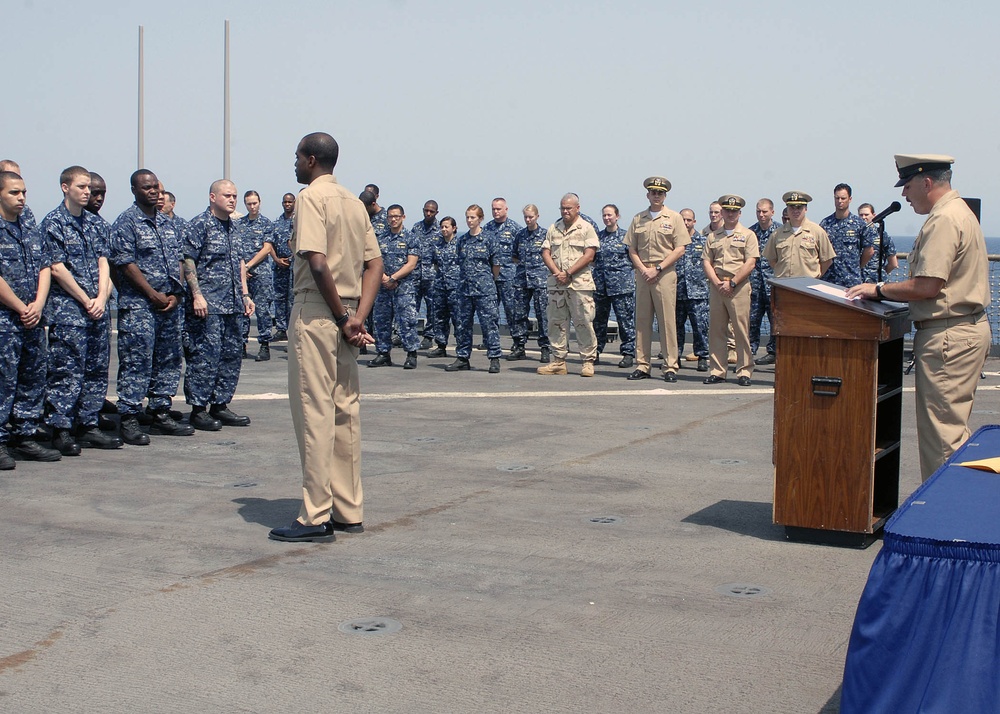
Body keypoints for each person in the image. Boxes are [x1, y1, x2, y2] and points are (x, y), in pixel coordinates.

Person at [846, 154, 991, 480]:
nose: (904, 195)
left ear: (926, 182)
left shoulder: (943, 220)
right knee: (953, 432)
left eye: (908, 186)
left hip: (947, 337)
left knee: (942, 440)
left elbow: (927, 285)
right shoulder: (961, 211)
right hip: (964, 330)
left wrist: (878, 289)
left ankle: (947, 522)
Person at [269, 131, 382, 543]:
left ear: (312, 160)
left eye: (298, 157)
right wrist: (356, 319)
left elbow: (316, 262)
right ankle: (349, 509)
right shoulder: (354, 202)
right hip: (348, 312)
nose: (295, 164)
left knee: (314, 411)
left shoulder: (309, 199)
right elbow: (375, 264)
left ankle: (315, 514)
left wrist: (339, 315)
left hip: (318, 311)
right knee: (344, 411)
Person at [41, 166, 122, 454]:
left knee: (96, 370)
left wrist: (101, 298)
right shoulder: (54, 223)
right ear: (65, 187)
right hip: (69, 310)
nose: (87, 192)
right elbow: (57, 268)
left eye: (89, 187)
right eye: (81, 187)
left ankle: (89, 424)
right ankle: (61, 428)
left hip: (97, 310)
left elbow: (104, 262)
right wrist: (85, 299)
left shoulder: (96, 224)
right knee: (67, 371)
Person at [110, 169, 194, 445]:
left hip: (169, 305)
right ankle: (130, 417)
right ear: (135, 190)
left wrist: (176, 295)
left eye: (156, 188)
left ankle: (160, 411)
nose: (153, 192)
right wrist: (152, 294)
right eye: (146, 188)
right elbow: (125, 264)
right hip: (139, 306)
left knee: (168, 358)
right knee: (137, 360)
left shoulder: (167, 223)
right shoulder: (127, 222)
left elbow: (179, 260)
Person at [182, 179, 255, 430]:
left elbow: (240, 264)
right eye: (227, 195)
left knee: (231, 355)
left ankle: (220, 404)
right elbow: (188, 261)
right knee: (204, 356)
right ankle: (199, 408)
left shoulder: (235, 228)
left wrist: (245, 295)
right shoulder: (199, 225)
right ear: (212, 197)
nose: (232, 200)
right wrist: (197, 295)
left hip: (233, 304)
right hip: (209, 304)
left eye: (234, 195)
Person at [0, 170, 61, 466]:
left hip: (34, 316)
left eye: (23, 192)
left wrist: (37, 303)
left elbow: (44, 266)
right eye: (14, 192)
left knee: (32, 376)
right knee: (4, 380)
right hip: (6, 318)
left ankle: (24, 435)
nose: (21, 198)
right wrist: (20, 306)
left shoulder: (28, 226)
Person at [623, 176, 689, 382]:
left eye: (660, 193)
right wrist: (643, 268)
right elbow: (631, 248)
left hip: (664, 274)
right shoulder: (638, 218)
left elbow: (680, 248)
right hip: (643, 275)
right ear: (648, 195)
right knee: (642, 321)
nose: (656, 196)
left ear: (665, 195)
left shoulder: (674, 218)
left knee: (667, 321)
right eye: (653, 192)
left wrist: (658, 268)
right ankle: (643, 365)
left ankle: (670, 366)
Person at [537, 193, 600, 377]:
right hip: (557, 284)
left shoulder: (587, 228)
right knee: (556, 322)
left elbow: (589, 255)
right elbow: (545, 252)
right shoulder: (553, 228)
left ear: (577, 208)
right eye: (562, 208)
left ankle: (588, 361)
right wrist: (558, 273)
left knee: (583, 322)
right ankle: (558, 361)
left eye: (569, 208)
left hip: (579, 284)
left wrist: (568, 273)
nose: (565, 211)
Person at [701, 195, 759, 387]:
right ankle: (718, 371)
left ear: (740, 213)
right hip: (717, 287)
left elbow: (750, 262)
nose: (731, 214)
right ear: (722, 213)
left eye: (734, 211)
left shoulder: (748, 235)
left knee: (741, 331)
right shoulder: (713, 236)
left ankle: (744, 371)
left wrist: (733, 283)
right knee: (717, 330)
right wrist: (717, 282)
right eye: (727, 210)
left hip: (739, 287)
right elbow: (706, 261)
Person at [447, 204, 502, 373]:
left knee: (489, 324)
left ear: (480, 219)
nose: (469, 220)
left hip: (484, 290)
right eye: (468, 217)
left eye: (473, 217)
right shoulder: (462, 241)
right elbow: (459, 263)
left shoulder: (489, 238)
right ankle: (463, 357)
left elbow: (496, 266)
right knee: (463, 325)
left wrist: (487, 280)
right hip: (464, 290)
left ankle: (494, 358)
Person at [368, 204, 420, 369]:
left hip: (404, 287)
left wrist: (393, 278)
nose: (393, 219)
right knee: (381, 321)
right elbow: (375, 260)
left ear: (403, 217)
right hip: (383, 286)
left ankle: (411, 354)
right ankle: (383, 353)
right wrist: (384, 278)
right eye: (390, 216)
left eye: (397, 216)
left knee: (407, 321)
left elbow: (411, 264)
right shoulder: (381, 238)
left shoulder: (411, 238)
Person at [592, 204, 636, 368]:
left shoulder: (626, 237)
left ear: (617, 216)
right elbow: (593, 259)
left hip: (621, 287)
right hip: (601, 286)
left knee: (625, 321)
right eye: (604, 215)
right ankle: (595, 352)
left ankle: (628, 353)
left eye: (610, 215)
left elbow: (633, 260)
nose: (607, 218)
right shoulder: (597, 237)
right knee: (598, 321)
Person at [481, 198, 524, 359]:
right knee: (490, 312)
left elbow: (520, 253)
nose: (496, 212)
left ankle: (518, 343)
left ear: (506, 209)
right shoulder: (487, 228)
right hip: (491, 277)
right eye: (493, 209)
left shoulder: (515, 229)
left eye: (499, 209)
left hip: (508, 277)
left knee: (512, 311)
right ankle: (489, 340)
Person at [761, 191, 836, 280]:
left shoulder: (818, 232)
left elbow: (827, 260)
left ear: (805, 209)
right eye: (792, 207)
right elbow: (771, 260)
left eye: (799, 207)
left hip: (808, 286)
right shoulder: (777, 234)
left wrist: (815, 276)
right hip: (784, 285)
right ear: (787, 209)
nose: (795, 211)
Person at [511, 204, 551, 363]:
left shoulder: (545, 235)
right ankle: (519, 346)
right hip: (522, 280)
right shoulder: (520, 235)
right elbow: (514, 256)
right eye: (526, 217)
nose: (528, 220)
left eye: (531, 217)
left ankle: (545, 348)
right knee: (519, 314)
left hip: (540, 280)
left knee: (542, 315)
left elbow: (551, 255)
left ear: (537, 216)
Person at [240, 190, 275, 362]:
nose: (252, 206)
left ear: (260, 202)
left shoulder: (266, 224)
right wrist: (242, 270)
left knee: (262, 311)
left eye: (255, 203)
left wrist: (249, 265)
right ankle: (242, 344)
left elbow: (267, 249)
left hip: (260, 274)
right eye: (249, 203)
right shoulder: (239, 224)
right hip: (243, 274)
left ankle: (264, 345)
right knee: (242, 311)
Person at [819, 183, 875, 288]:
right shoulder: (825, 223)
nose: (840, 201)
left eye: (843, 198)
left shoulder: (859, 224)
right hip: (828, 281)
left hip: (850, 281)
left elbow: (869, 251)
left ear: (850, 199)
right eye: (837, 198)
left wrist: (856, 267)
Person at [675, 208, 710, 372]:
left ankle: (702, 356)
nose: (686, 223)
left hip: (698, 292)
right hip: (677, 292)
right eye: (683, 219)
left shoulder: (703, 241)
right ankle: (675, 356)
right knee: (675, 327)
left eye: (689, 220)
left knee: (700, 327)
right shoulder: (672, 242)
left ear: (694, 222)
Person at [748, 199, 781, 365]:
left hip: (773, 285)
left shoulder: (780, 232)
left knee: (775, 321)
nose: (761, 215)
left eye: (765, 211)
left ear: (772, 212)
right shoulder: (750, 233)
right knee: (752, 321)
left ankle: (773, 352)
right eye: (758, 211)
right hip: (754, 287)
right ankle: (748, 354)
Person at [429, 216, 462, 357]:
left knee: (458, 318)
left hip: (456, 287)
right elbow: (435, 264)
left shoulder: (460, 244)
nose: (443, 229)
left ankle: (461, 347)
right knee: (440, 317)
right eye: (442, 226)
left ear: (454, 228)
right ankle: (441, 345)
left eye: (446, 226)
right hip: (440, 286)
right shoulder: (437, 244)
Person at [411, 200, 441, 349]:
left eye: (431, 211)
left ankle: (429, 336)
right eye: (426, 210)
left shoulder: (440, 229)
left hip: (432, 276)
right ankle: (406, 334)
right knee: (411, 306)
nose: (428, 213)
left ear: (436, 213)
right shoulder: (416, 228)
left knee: (432, 307)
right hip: (415, 274)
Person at [271, 193, 295, 341]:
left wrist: (291, 258)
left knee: (292, 299)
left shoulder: (299, 220)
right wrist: (276, 259)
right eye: (285, 202)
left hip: (294, 265)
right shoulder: (277, 223)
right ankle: (281, 328)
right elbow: (269, 244)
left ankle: (292, 329)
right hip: (279, 266)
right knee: (279, 298)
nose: (287, 204)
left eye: (290, 202)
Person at [858, 202, 899, 282]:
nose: (863, 217)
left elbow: (893, 263)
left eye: (866, 215)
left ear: (874, 215)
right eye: (861, 215)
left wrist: (880, 273)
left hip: (876, 281)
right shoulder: (855, 235)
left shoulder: (882, 235)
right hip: (858, 280)